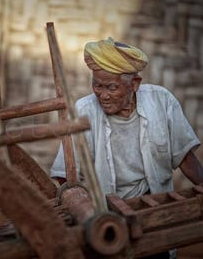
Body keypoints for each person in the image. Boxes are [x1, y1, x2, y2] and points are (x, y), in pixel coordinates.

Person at [50, 37, 203, 259]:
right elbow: (65, 177)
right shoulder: (83, 110)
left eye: (111, 87)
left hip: (152, 216)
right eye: (97, 85)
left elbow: (185, 158)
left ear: (135, 84)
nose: (103, 94)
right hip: (104, 220)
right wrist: (81, 213)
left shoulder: (162, 101)